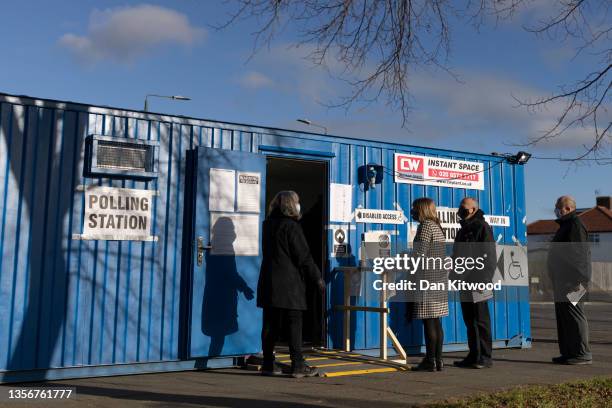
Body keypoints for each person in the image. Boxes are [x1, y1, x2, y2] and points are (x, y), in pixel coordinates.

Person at [257, 191, 326, 378]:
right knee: (294, 323)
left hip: (269, 281)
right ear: (290, 205)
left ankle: (268, 364)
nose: (299, 205)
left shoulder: (267, 225)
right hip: (290, 284)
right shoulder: (292, 227)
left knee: (270, 324)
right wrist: (317, 278)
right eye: (297, 202)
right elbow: (303, 256)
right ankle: (297, 365)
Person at [452, 197, 496, 369]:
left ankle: (485, 356)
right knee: (469, 320)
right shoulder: (463, 229)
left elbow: (489, 255)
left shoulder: (482, 227)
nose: (459, 210)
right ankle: (473, 354)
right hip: (464, 281)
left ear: (472, 209)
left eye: (463, 208)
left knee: (481, 319)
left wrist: (484, 280)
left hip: (478, 281)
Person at [548, 195, 592, 365]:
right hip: (562, 280)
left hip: (573, 282)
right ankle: (568, 352)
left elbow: (579, 254)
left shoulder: (574, 225)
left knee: (574, 315)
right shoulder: (566, 226)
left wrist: (578, 281)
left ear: (567, 208)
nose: (556, 210)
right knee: (564, 317)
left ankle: (582, 353)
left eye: (558, 207)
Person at [410, 198, 448, 372]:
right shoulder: (437, 227)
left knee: (429, 323)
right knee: (436, 321)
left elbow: (420, 253)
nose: (412, 212)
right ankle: (438, 360)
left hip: (427, 279)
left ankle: (430, 360)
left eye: (414, 208)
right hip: (438, 278)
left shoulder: (425, 226)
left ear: (422, 210)